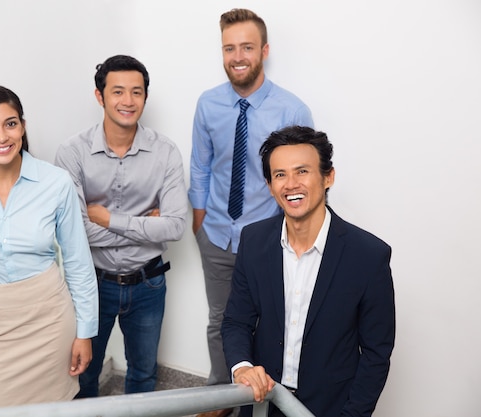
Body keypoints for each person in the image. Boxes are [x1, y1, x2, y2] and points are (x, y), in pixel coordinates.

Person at [0, 85, 99, 408]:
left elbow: (79, 262)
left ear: (23, 127)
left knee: (60, 410)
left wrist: (85, 333)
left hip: (51, 319)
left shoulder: (56, 183)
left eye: (10, 124)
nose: (1, 136)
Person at [188, 9, 314, 415]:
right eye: (229, 48)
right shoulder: (208, 104)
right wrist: (200, 219)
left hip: (270, 238)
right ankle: (219, 395)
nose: (237, 56)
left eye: (246, 47)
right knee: (220, 319)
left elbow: (303, 182)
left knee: (272, 323)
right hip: (219, 235)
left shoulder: (291, 110)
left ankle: (261, 400)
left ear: (264, 50)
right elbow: (201, 165)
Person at [221, 125, 396, 417]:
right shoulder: (253, 241)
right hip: (262, 403)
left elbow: (376, 355)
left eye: (302, 171)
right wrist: (243, 368)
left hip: (330, 409)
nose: (291, 184)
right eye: (280, 175)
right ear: (269, 185)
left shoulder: (369, 256)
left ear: (328, 177)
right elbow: (236, 321)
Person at [55, 55, 187, 398]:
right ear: (100, 97)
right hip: (91, 283)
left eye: (136, 92)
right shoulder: (72, 152)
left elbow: (174, 227)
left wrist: (108, 219)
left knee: (144, 374)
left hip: (148, 283)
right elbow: (75, 230)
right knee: (83, 374)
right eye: (118, 92)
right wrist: (146, 224)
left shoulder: (166, 152)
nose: (128, 101)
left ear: (145, 97)